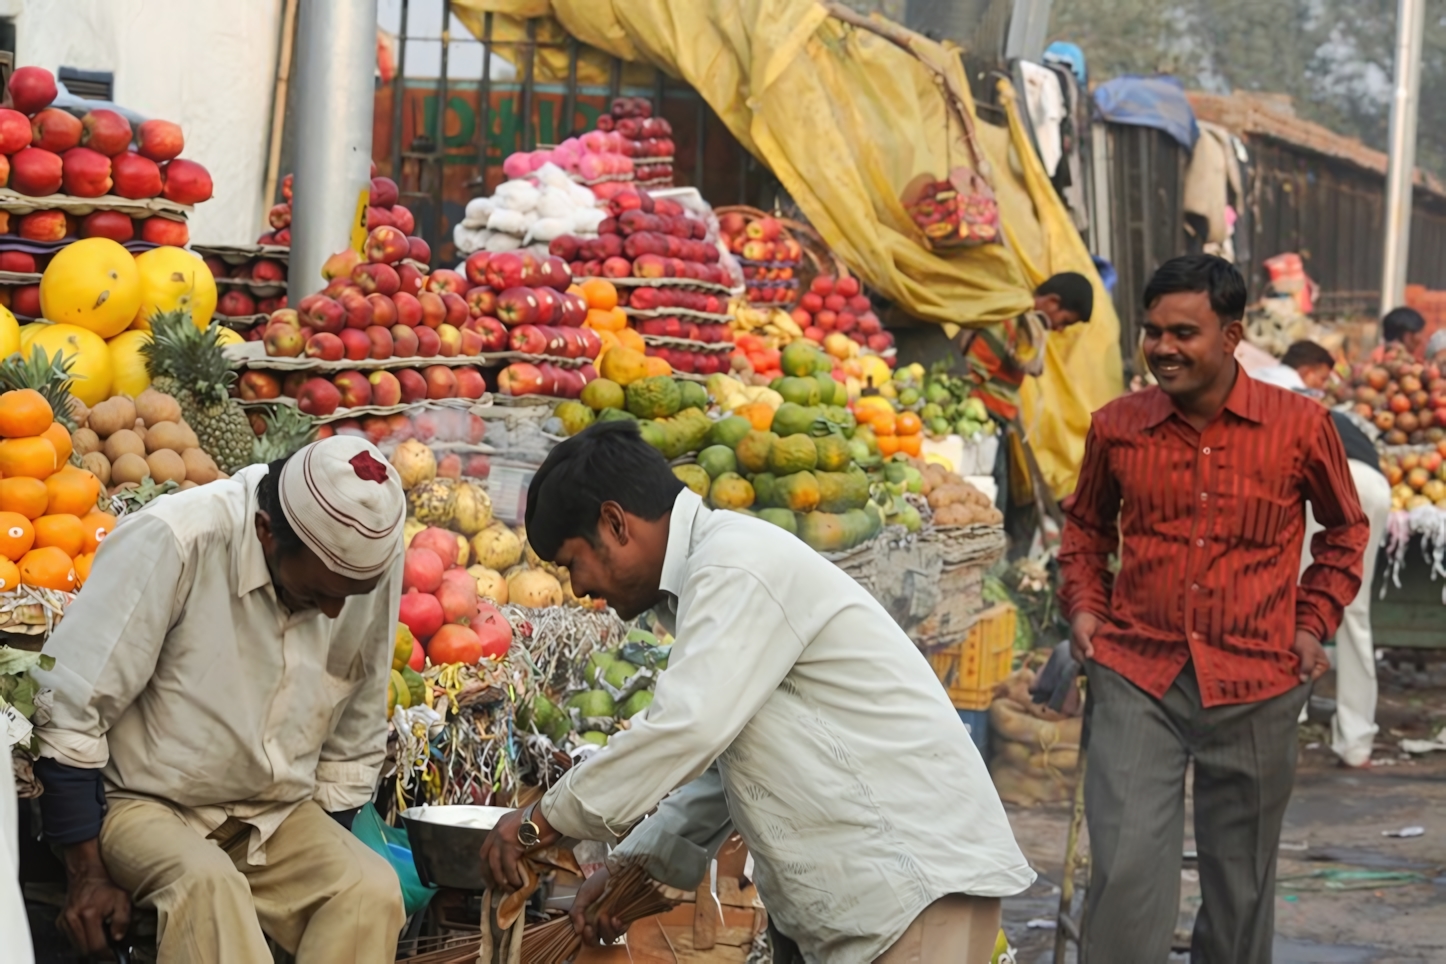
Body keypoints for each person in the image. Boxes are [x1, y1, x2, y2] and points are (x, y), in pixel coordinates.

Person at [479, 421, 1033, 964]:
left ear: (616, 523)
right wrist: (632, 869)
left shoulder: (735, 565)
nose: (579, 588)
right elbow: (726, 771)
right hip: (872, 900)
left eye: (574, 562)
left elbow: (686, 728)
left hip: (913, 888)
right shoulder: (712, 579)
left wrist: (542, 821)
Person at [1059, 255, 1368, 963]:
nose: (1163, 348)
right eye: (1152, 331)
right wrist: (1086, 606)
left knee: (1240, 889)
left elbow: (1346, 529)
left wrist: (1311, 621)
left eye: (1183, 332)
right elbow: (1085, 528)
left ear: (1231, 337)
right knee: (1128, 872)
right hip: (1139, 674)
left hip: (1259, 678)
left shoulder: (1300, 426)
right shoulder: (1117, 428)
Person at [32, 436, 408, 962]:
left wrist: (331, 844)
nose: (332, 612)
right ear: (265, 533)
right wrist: (87, 873)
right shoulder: (180, 538)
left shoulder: (365, 564)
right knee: (210, 888)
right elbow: (68, 710)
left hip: (275, 811)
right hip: (145, 802)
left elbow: (357, 724)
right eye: (317, 593)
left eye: (346, 596)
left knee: (369, 890)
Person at [1255, 341, 1390, 768]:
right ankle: (1356, 742)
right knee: (1354, 611)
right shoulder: (1316, 402)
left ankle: (1285, 724)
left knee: (1288, 597)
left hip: (1322, 474)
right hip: (1371, 481)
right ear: (1311, 372)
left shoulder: (1260, 386)